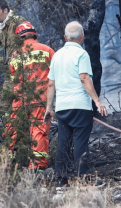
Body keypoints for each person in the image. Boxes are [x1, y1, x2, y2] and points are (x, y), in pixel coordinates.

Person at [43, 21, 108, 185]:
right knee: (80, 143)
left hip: (63, 108)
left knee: (63, 145)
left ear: (65, 37)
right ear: (82, 37)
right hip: (80, 106)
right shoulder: (82, 54)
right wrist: (98, 101)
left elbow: (51, 84)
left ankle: (61, 182)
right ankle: (84, 180)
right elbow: (84, 78)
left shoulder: (57, 55)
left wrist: (49, 108)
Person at [5, 22, 55, 171]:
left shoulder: (14, 55)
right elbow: (55, 75)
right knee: (39, 132)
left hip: (20, 100)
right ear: (34, 34)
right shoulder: (47, 50)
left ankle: (6, 166)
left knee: (13, 133)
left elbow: (14, 80)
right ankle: (37, 168)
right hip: (40, 100)